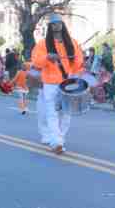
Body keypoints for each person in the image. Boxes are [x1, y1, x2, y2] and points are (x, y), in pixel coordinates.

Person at [31, 13, 84, 154]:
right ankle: (56, 142)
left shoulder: (72, 42)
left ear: (63, 25)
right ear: (50, 27)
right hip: (50, 84)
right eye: (53, 24)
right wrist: (47, 57)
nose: (56, 26)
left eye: (59, 23)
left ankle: (59, 138)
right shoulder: (43, 44)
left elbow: (79, 62)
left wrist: (75, 66)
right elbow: (36, 61)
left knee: (66, 113)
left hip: (68, 83)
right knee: (52, 113)